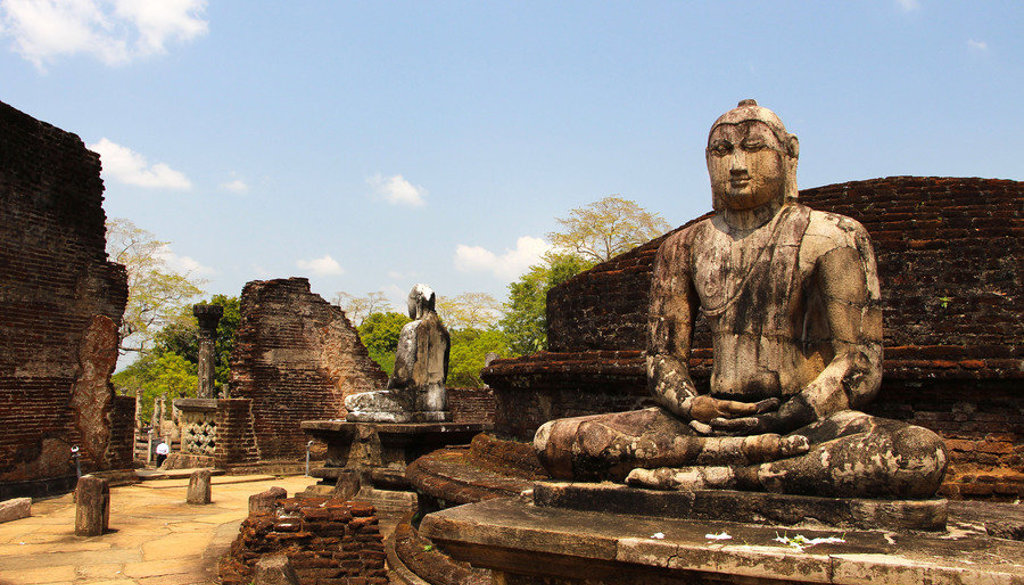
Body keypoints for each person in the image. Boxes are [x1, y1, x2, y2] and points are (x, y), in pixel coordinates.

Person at [533, 100, 947, 499]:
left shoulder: (833, 236)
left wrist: (795, 410)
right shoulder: (683, 246)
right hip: (708, 426)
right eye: (721, 150)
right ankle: (750, 468)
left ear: (789, 155)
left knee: (915, 455)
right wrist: (694, 404)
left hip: (801, 424)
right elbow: (662, 358)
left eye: (753, 148)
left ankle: (721, 471)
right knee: (555, 440)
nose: (735, 164)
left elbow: (860, 363)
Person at [345, 284, 451, 422]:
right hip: (440, 401)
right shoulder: (444, 333)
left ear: (418, 302)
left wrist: (390, 388)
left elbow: (402, 376)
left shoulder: (412, 329)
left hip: (411, 399)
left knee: (352, 402)